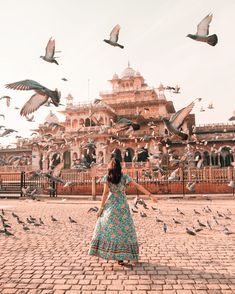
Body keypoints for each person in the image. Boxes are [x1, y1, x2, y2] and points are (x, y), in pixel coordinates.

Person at [88, 157, 157, 265]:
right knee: (125, 231)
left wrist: (100, 209)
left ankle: (116, 255)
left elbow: (105, 194)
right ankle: (126, 254)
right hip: (122, 207)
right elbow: (137, 186)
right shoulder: (125, 177)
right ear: (120, 167)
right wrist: (150, 195)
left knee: (113, 231)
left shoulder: (107, 178)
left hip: (111, 206)